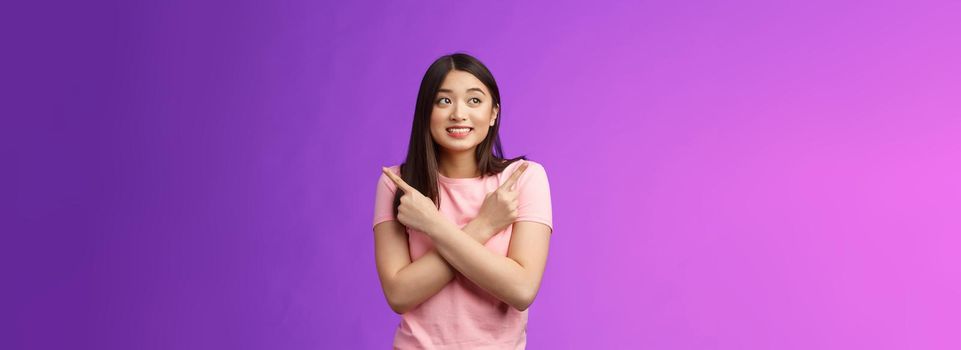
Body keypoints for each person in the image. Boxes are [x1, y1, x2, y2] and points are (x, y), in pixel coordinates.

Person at [372, 52, 554, 349]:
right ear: (426, 111)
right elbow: (399, 294)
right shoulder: (398, 185)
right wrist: (484, 226)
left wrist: (432, 225)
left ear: (493, 112)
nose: (458, 113)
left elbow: (521, 290)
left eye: (474, 100)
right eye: (444, 101)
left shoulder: (523, 179)